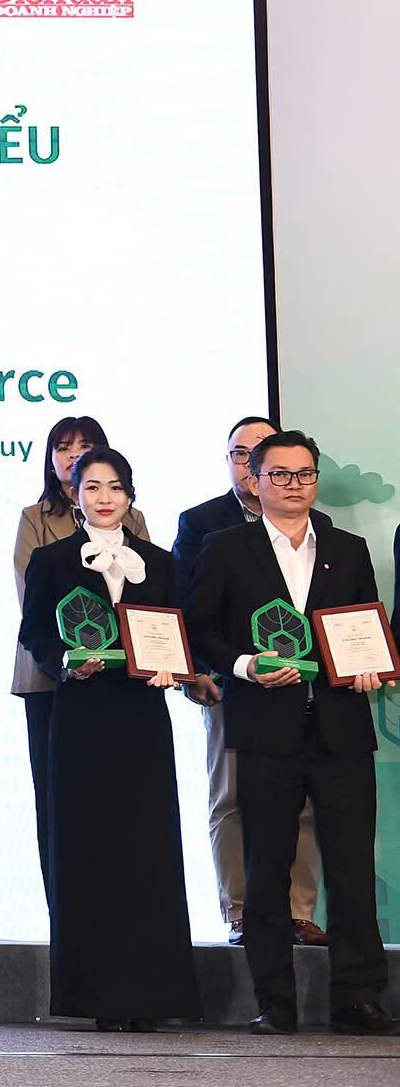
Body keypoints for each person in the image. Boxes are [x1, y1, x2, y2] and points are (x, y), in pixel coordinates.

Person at [189, 430, 396, 1036]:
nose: (294, 485)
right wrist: (243, 664)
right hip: (265, 729)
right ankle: (274, 1002)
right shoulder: (227, 548)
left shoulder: (348, 548)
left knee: (352, 870)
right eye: (279, 474)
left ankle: (358, 999)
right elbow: (201, 628)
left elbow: (365, 627)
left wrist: (369, 667)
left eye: (305, 474)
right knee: (267, 866)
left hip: (341, 729)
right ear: (254, 481)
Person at [19, 447, 204, 1030]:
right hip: (80, 717)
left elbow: (178, 632)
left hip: (142, 715)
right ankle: (97, 996)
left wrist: (177, 669)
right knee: (88, 847)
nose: (104, 497)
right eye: (92, 487)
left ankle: (153, 995)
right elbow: (34, 633)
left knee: (148, 848)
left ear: (130, 495)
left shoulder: (160, 561)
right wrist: (66, 662)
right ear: (74, 496)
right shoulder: (51, 560)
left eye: (115, 487)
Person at [174, 416, 326, 947]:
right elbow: (190, 608)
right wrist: (200, 671)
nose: (251, 462)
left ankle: (298, 911)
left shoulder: (318, 526)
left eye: (261, 451)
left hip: (303, 689)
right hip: (230, 685)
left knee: (304, 800)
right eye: (241, 453)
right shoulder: (202, 523)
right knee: (232, 796)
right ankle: (241, 910)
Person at [10, 416, 150, 909]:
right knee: (57, 799)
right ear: (51, 460)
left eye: (84, 445)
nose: (73, 455)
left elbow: (147, 596)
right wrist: (76, 650)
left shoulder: (133, 518)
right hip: (51, 676)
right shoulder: (35, 517)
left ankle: (121, 909)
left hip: (121, 678)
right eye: (63, 447)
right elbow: (32, 593)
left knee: (120, 798)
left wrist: (120, 651)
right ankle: (64, 913)